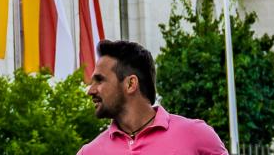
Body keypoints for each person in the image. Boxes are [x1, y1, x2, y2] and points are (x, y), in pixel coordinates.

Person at [79, 39, 229, 155]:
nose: (90, 90)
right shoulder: (89, 152)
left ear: (130, 84)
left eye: (99, 80)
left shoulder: (196, 135)